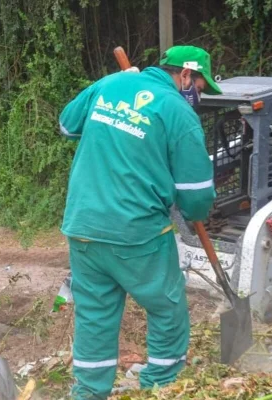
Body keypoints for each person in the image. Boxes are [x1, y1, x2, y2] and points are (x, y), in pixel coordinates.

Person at [58, 45, 222, 399]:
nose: (198, 94)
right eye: (200, 85)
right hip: (136, 232)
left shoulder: (110, 86)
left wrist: (107, 81)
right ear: (185, 75)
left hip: (83, 226)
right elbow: (194, 192)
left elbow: (67, 124)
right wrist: (195, 213)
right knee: (167, 307)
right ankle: (160, 387)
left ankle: (88, 392)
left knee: (95, 315)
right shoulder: (178, 111)